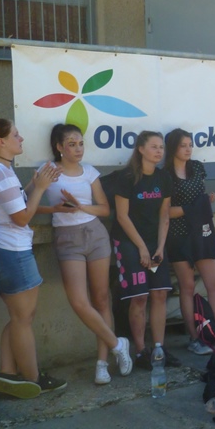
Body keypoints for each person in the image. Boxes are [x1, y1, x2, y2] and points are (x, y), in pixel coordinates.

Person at [0, 119, 65, 397]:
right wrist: (40, 188)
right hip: (11, 252)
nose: (21, 138)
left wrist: (34, 184)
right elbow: (22, 218)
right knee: (22, 318)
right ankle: (33, 379)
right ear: (1, 142)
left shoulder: (0, 171)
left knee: (19, 317)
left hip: (6, 252)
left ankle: (9, 374)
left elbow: (15, 205)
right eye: (16, 134)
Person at [39, 124, 132, 385]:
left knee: (101, 299)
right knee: (79, 302)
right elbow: (26, 202)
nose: (78, 148)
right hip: (67, 238)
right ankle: (118, 344)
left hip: (95, 234)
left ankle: (102, 364)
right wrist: (55, 208)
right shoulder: (47, 170)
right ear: (59, 147)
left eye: (80, 143)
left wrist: (81, 206)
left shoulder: (89, 171)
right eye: (71, 144)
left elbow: (105, 209)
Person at [163, 129, 215, 355]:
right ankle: (194, 338)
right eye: (183, 145)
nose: (188, 149)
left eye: (190, 144)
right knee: (187, 288)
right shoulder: (165, 175)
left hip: (203, 232)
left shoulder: (197, 167)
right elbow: (166, 212)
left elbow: (200, 199)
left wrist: (206, 202)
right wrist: (195, 207)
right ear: (173, 148)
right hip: (179, 236)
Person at [112, 131, 172, 370]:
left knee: (160, 293)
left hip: (154, 242)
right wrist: (141, 248)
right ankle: (140, 351)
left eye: (161, 147)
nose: (159, 151)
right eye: (154, 147)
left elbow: (164, 215)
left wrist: (160, 247)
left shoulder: (163, 177)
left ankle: (158, 348)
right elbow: (122, 216)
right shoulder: (126, 177)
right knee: (140, 297)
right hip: (129, 242)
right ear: (141, 149)